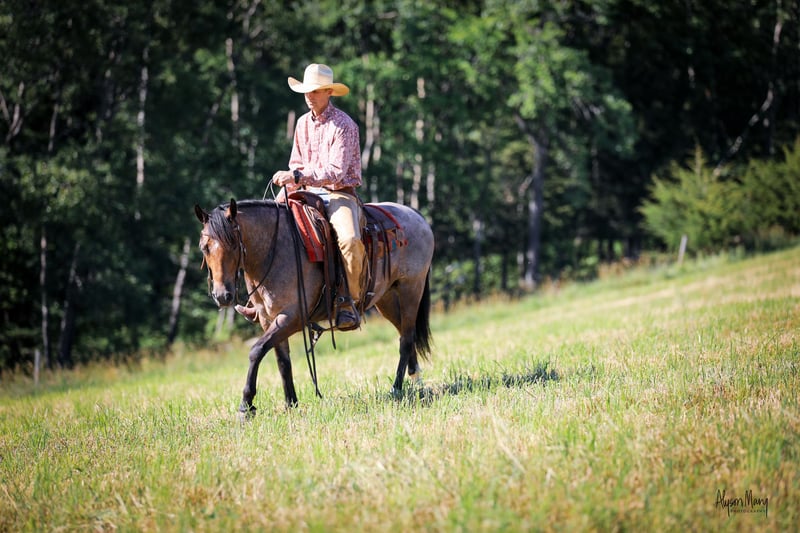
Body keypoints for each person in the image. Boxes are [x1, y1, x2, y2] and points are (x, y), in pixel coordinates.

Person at [236, 63, 365, 330]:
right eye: (306, 91)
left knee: (350, 239)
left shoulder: (344, 125)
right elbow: (296, 162)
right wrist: (289, 181)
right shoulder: (302, 123)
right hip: (304, 190)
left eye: (315, 91)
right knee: (268, 227)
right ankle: (259, 300)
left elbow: (336, 172)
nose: (309, 96)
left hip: (338, 193)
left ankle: (349, 301)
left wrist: (296, 176)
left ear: (329, 92)